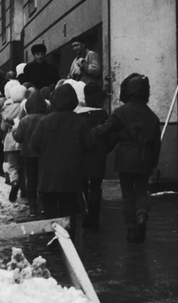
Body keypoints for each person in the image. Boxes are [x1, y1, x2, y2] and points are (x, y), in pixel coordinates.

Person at [91, 73, 161, 243]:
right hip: (144, 157)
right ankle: (142, 215)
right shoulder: (152, 116)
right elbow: (156, 144)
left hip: (125, 158)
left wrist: (90, 133)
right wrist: (153, 162)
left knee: (128, 194)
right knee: (141, 192)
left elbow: (107, 128)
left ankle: (131, 230)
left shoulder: (120, 112)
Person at [30, 83, 95, 223]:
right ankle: (68, 240)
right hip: (71, 177)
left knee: (50, 216)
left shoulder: (45, 121)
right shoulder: (80, 121)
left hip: (48, 176)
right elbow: (91, 145)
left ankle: (53, 239)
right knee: (68, 214)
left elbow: (34, 144)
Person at [78, 82, 110, 229]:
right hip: (98, 156)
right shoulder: (103, 115)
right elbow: (111, 136)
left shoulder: (78, 116)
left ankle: (85, 213)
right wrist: (104, 150)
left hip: (82, 156)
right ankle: (95, 219)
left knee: (83, 186)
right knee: (96, 186)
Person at [13, 90, 49, 215]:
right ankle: (43, 204)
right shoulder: (46, 119)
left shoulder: (25, 120)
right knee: (43, 179)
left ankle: (32, 206)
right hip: (44, 155)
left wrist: (14, 130)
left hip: (28, 154)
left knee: (31, 180)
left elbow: (18, 137)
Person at [0, 81, 27, 201]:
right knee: (24, 166)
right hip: (23, 139)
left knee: (13, 166)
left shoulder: (7, 108)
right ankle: (24, 190)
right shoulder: (25, 107)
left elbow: (2, 128)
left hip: (10, 140)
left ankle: (14, 182)